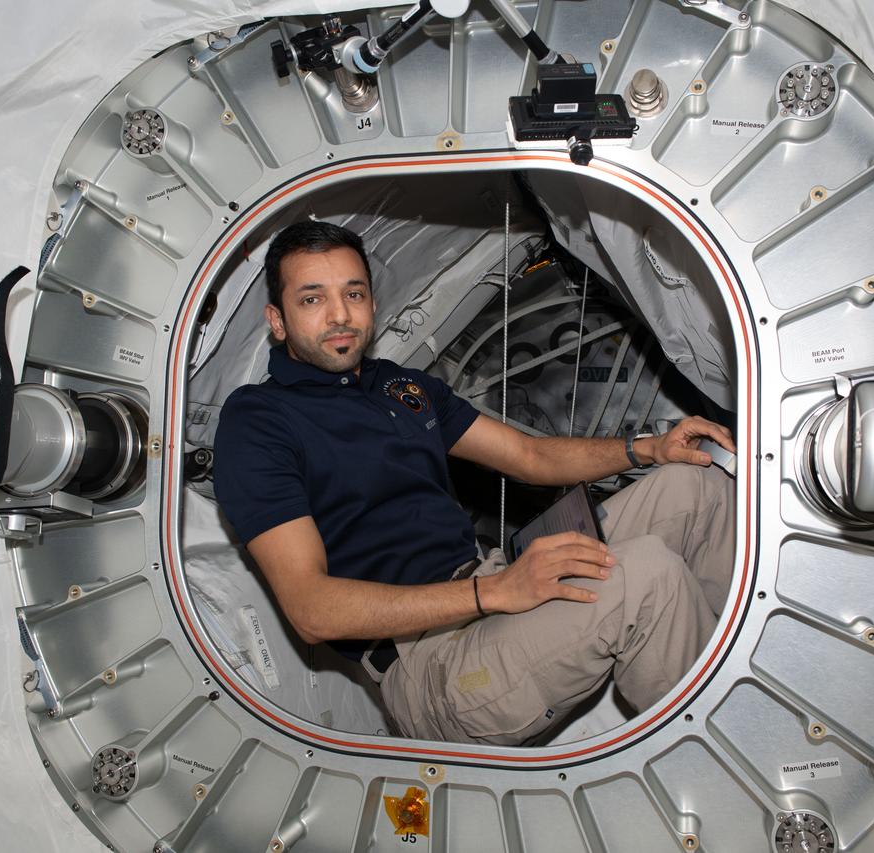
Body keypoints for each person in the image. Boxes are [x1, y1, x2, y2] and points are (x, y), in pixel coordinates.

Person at [213, 221, 735, 746]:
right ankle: (723, 752)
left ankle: (744, 673)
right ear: (277, 321)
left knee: (695, 487)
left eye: (354, 293)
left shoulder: (397, 385)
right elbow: (311, 609)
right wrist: (493, 593)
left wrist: (647, 448)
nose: (340, 315)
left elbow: (529, 455)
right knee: (645, 575)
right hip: (429, 662)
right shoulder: (259, 420)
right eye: (312, 299)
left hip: (491, 580)